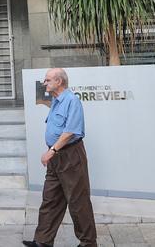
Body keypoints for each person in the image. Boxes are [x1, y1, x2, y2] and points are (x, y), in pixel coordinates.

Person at [23, 68, 97, 247]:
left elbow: (71, 131)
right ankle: (43, 242)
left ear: (59, 82)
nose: (44, 83)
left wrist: (52, 151)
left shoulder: (72, 100)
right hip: (56, 158)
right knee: (50, 199)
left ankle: (88, 243)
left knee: (78, 201)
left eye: (48, 80)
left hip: (70, 156)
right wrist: (52, 151)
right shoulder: (56, 101)